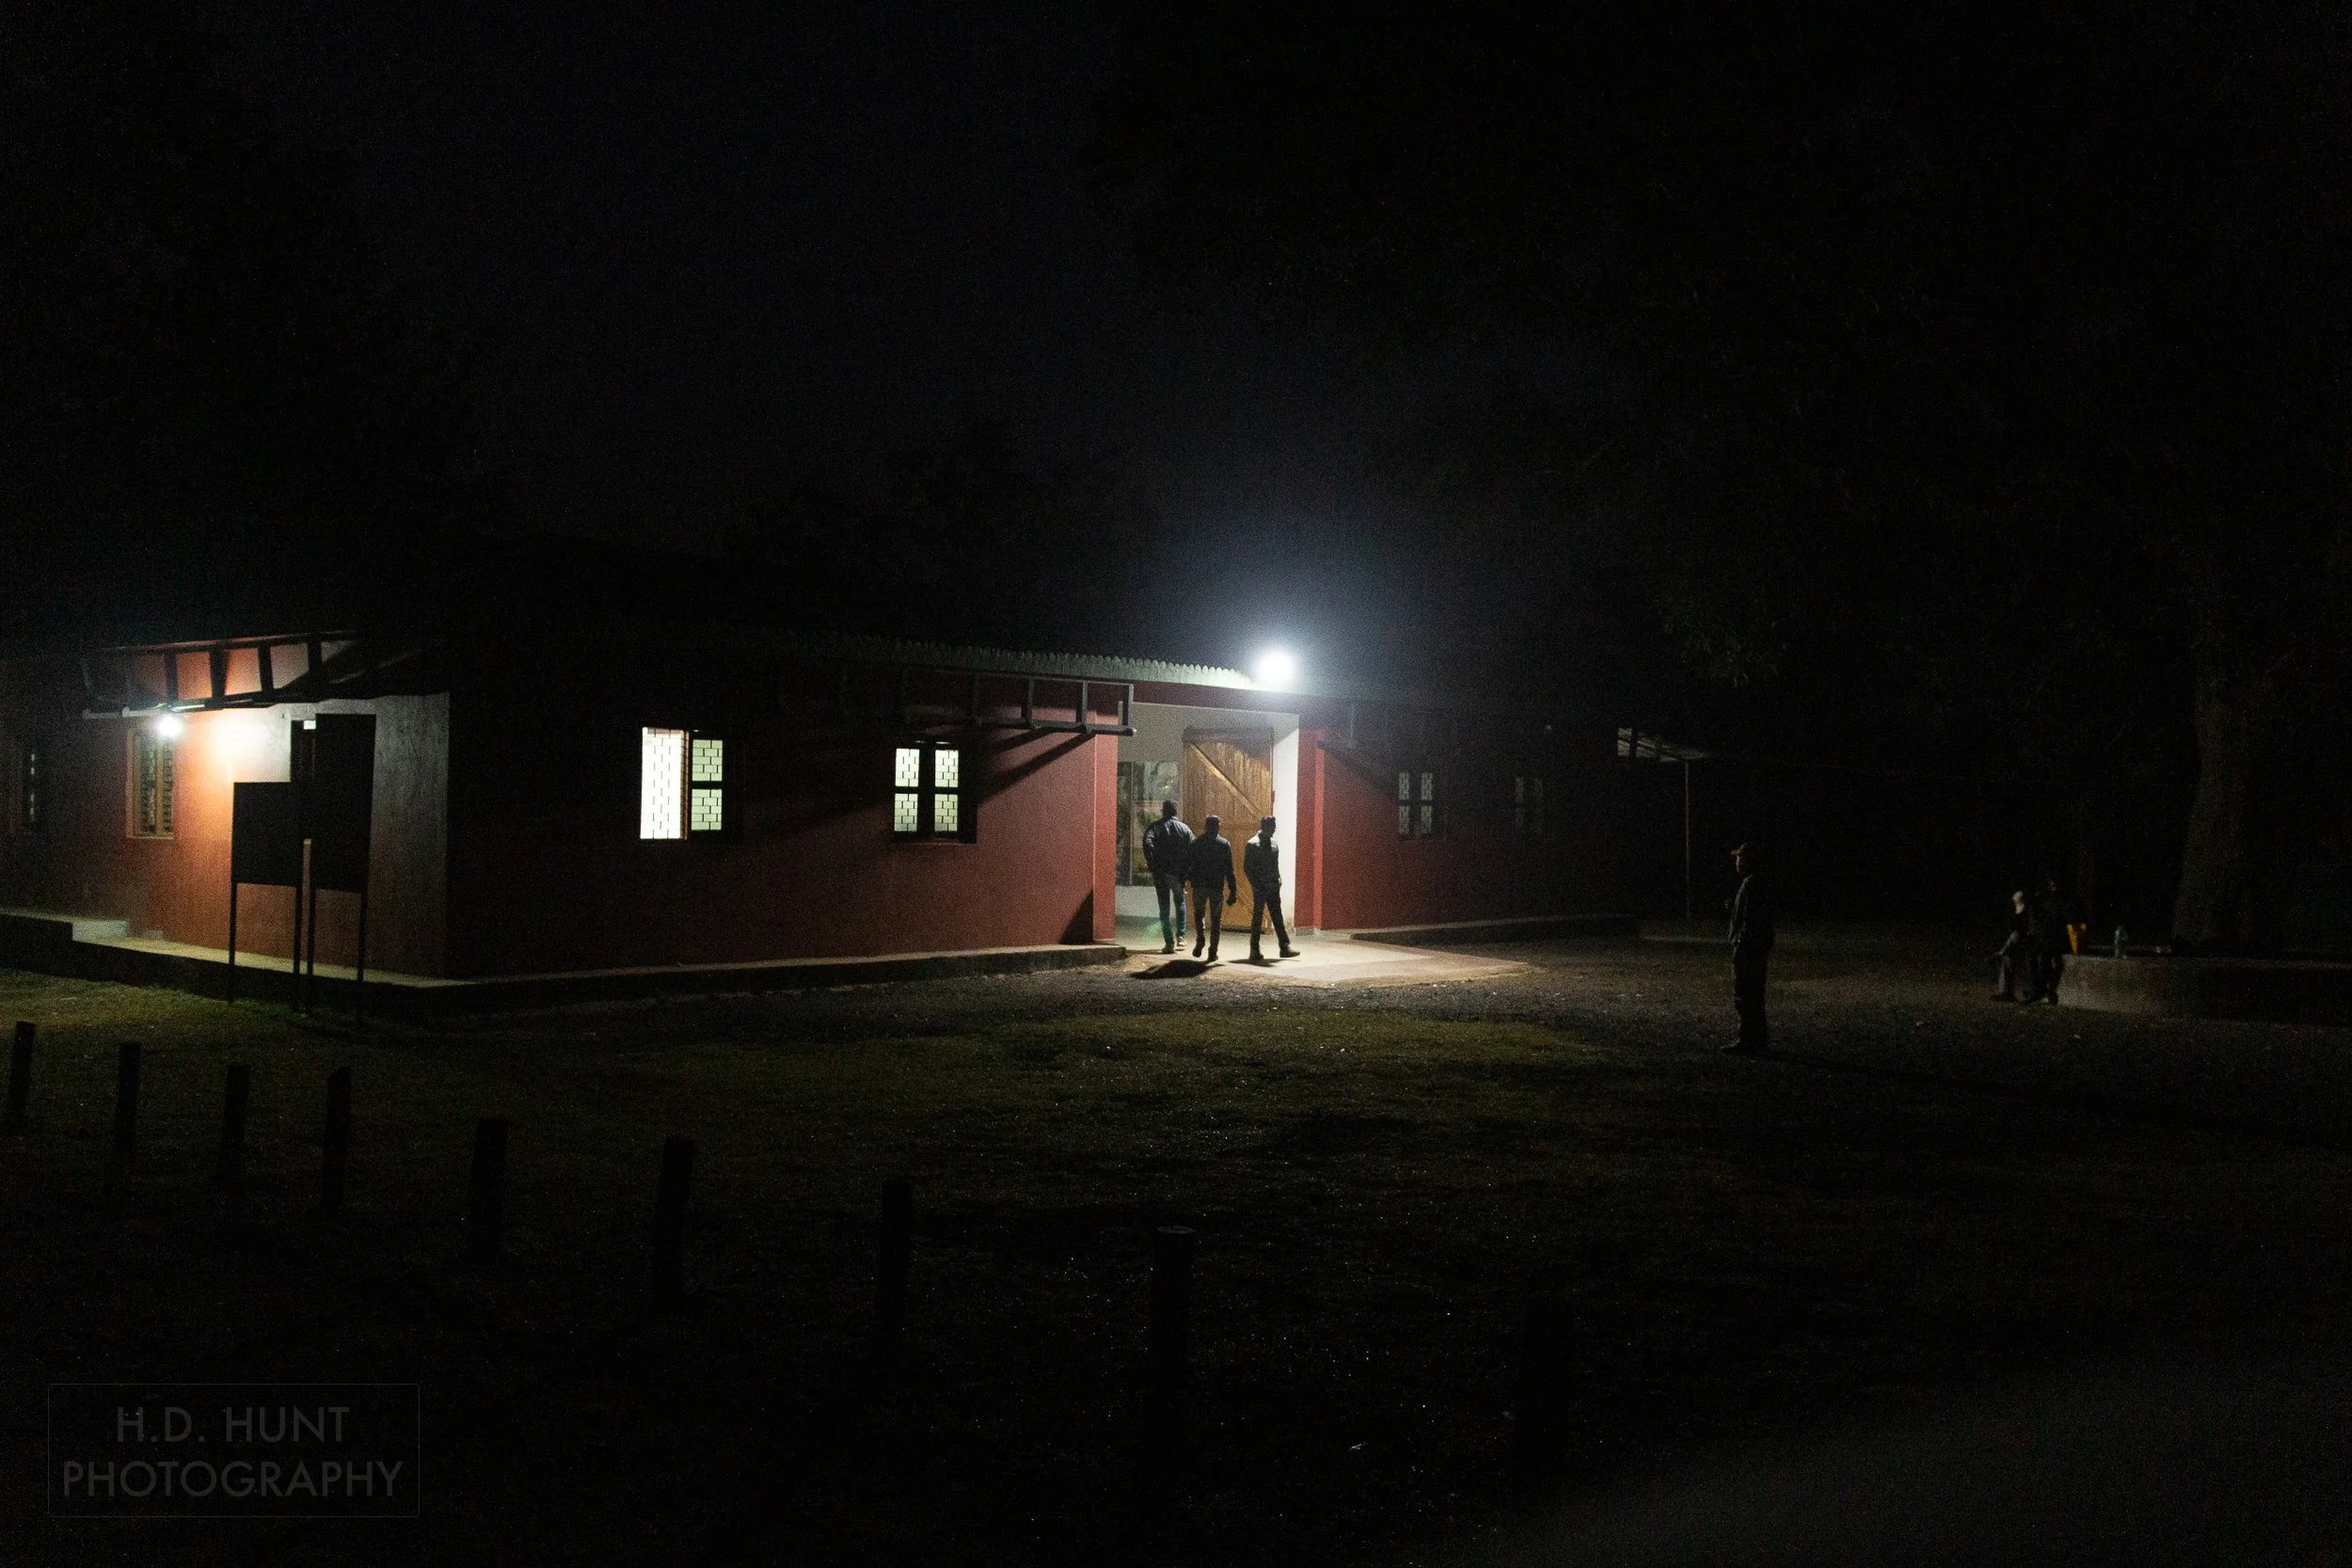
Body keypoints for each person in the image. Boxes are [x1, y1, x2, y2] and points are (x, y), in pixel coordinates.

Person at [1723, 841, 1774, 1053]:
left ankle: (1748, 1040)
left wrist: (1741, 943)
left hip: (1749, 949)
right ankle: (1756, 1039)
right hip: (1755, 947)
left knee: (1746, 993)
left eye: (1740, 858)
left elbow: (1752, 920)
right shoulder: (1754, 883)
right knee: (1753, 993)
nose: (1737, 861)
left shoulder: (1752, 884)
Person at [1242, 815, 1298, 961]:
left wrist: (1278, 879)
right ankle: (1254, 949)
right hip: (1260, 886)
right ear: (1264, 827)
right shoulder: (1252, 844)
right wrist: (1257, 885)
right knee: (1257, 917)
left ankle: (1284, 947)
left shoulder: (1274, 844)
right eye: (1272, 827)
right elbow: (1248, 869)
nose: (1273, 830)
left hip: (1273, 886)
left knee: (1277, 917)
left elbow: (1275, 865)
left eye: (1274, 827)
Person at [1140, 800, 1194, 955]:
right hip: (1178, 874)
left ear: (1163, 811)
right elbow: (1193, 849)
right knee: (1180, 903)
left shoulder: (1154, 827)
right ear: (1176, 812)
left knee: (1163, 908)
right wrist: (1187, 870)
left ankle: (1168, 943)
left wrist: (1153, 864)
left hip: (1160, 873)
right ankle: (1181, 937)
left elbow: (1148, 843)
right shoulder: (1185, 829)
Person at [1185, 812, 1240, 960]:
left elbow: (1188, 866)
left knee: (1199, 914)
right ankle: (1213, 950)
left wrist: (1189, 881)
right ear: (1218, 827)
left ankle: (1200, 939)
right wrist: (1233, 890)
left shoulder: (1196, 844)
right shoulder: (1224, 844)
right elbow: (1229, 870)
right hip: (1216, 887)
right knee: (1216, 920)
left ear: (1205, 826)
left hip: (1199, 886)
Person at [1993, 889, 2031, 1001]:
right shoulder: (2014, 911)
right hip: (2016, 945)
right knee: (2007, 958)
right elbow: (2011, 927)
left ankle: (2001, 952)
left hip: (2026, 941)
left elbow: (2024, 929)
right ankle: (2004, 992)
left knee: (2016, 935)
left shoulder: (2028, 911)